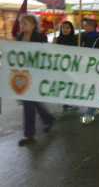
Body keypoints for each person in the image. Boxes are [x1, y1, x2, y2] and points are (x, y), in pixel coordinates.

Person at [16, 14, 55, 146]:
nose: (22, 26)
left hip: (36, 75)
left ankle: (29, 135)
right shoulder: (19, 37)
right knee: (31, 102)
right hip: (23, 75)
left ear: (33, 25)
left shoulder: (40, 37)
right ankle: (48, 119)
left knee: (28, 103)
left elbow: (45, 56)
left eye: (25, 24)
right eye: (21, 24)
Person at [79, 18, 99, 124]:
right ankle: (96, 106)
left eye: (86, 25)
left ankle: (90, 113)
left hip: (95, 67)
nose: (85, 27)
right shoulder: (82, 37)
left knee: (92, 89)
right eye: (84, 25)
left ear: (92, 27)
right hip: (85, 66)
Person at [56, 21, 78, 113]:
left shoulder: (76, 39)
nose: (65, 30)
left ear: (71, 29)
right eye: (63, 27)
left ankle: (71, 102)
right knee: (63, 85)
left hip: (72, 66)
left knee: (71, 85)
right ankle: (66, 103)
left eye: (67, 28)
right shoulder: (58, 39)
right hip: (61, 67)